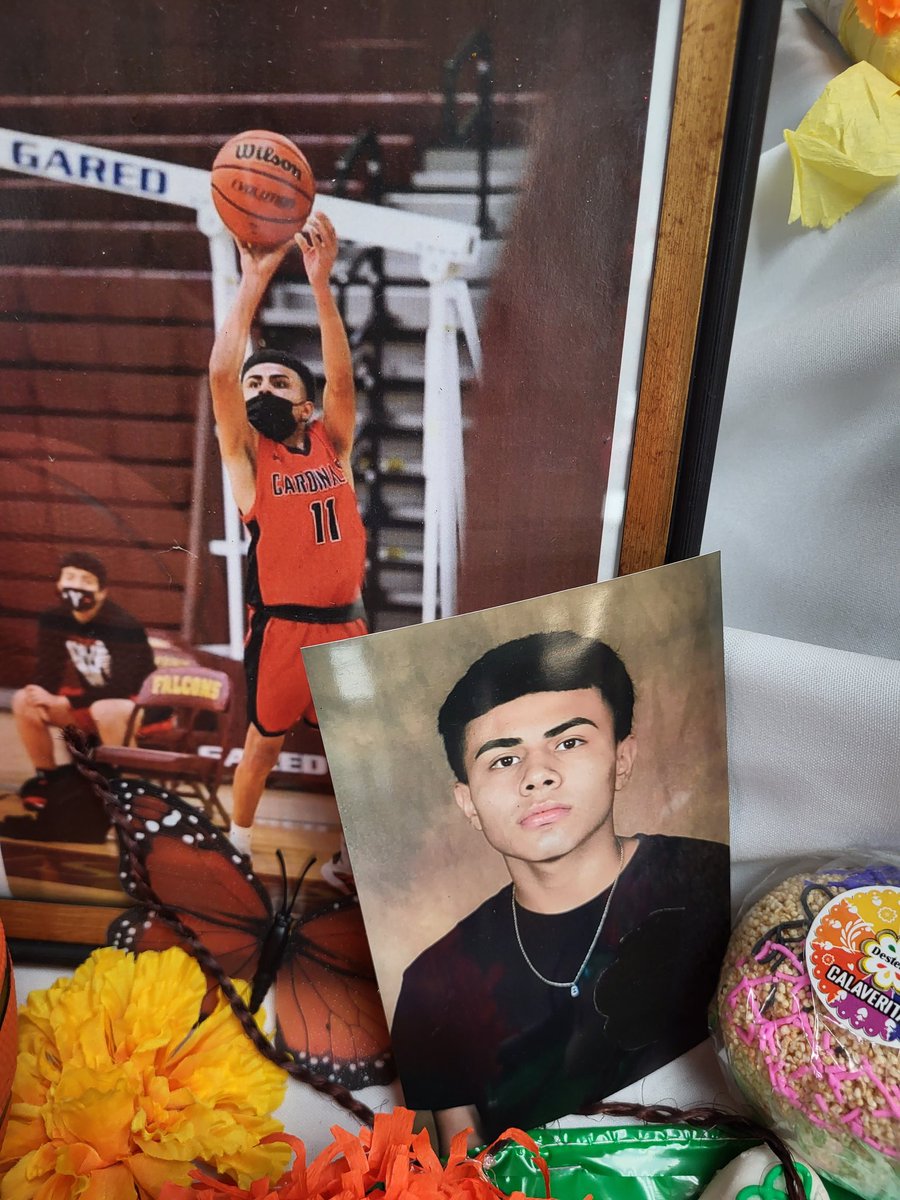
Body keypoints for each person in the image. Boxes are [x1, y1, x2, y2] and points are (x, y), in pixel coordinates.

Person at [389, 630, 730, 1145]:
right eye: (504, 759)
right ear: (468, 803)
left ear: (622, 758)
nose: (538, 776)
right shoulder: (433, 985)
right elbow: (466, 1170)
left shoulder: (713, 882)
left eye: (569, 742)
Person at [209, 212, 367, 857]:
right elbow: (221, 376)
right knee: (264, 744)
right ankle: (237, 844)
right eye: (256, 383)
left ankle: (352, 862)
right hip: (283, 629)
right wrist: (254, 281)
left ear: (305, 404)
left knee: (364, 749)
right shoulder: (248, 460)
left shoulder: (334, 443)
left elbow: (344, 378)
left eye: (279, 381)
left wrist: (320, 284)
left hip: (347, 626)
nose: (263, 387)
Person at [12, 551, 155, 802]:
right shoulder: (54, 618)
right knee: (25, 700)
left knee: (106, 709)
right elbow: (48, 673)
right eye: (69, 577)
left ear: (102, 592)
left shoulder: (123, 624)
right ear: (58, 584)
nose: (76, 586)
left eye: (86, 581)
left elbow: (123, 686)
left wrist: (67, 703)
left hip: (135, 706)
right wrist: (41, 693)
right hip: (93, 704)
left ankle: (125, 790)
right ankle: (48, 780)